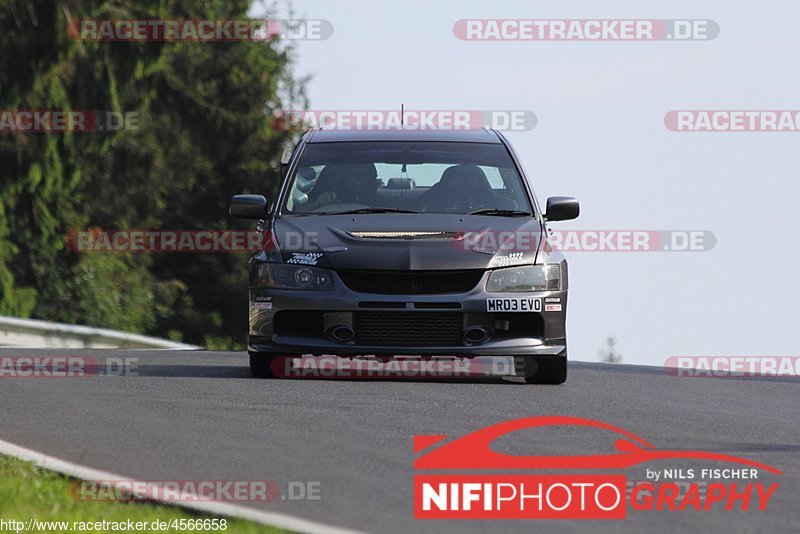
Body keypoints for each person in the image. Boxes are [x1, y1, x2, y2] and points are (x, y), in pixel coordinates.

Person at [305, 162, 379, 209]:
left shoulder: (385, 204)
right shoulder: (325, 197)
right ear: (340, 177)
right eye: (353, 174)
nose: (359, 180)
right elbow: (297, 213)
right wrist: (317, 204)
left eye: (364, 175)